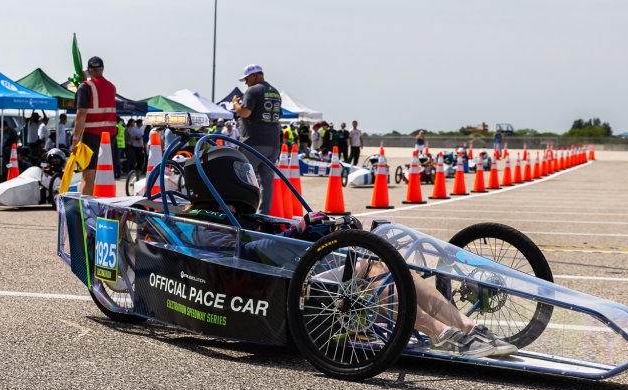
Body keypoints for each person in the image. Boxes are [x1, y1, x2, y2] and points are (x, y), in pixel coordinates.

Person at [182, 145, 517, 358]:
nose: (249, 179)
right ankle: (442, 334)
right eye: (242, 174)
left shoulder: (237, 217)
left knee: (389, 265)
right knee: (373, 270)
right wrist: (298, 232)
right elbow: (244, 257)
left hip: (291, 280)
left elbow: (268, 239)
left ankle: (466, 329)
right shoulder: (203, 222)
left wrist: (315, 227)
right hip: (265, 290)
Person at [230, 64, 282, 213]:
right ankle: (264, 214)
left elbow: (245, 112)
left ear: (254, 76)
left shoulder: (253, 90)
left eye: (247, 79)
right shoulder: (275, 92)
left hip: (254, 142)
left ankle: (241, 212)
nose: (246, 83)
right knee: (266, 181)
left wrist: (235, 104)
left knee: (242, 177)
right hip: (273, 143)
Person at [70, 56, 117, 195]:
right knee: (104, 173)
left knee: (88, 174)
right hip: (109, 136)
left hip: (92, 135)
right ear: (102, 69)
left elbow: (81, 113)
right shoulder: (111, 87)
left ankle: (86, 205)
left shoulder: (85, 87)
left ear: (89, 70)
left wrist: (75, 139)